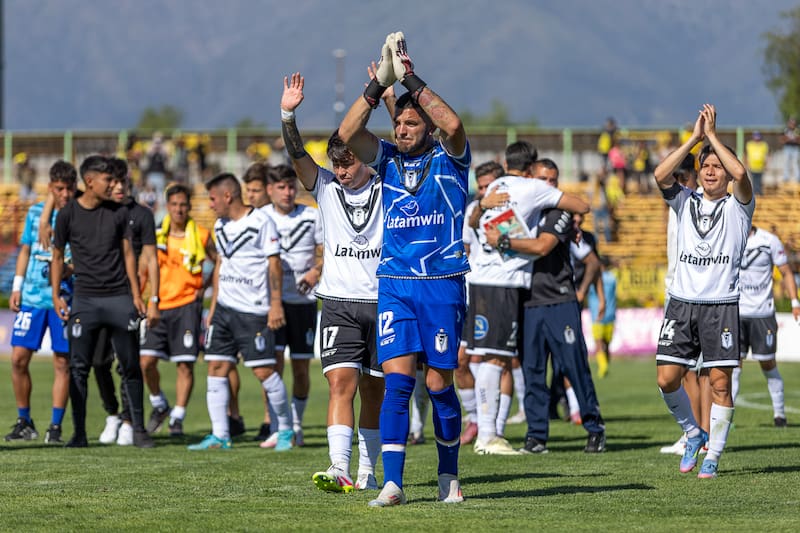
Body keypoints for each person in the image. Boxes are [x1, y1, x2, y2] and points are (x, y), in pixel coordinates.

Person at [339, 31, 469, 506]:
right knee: (397, 383)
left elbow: (453, 122)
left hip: (441, 284)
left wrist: (410, 79)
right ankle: (393, 483)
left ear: (427, 128)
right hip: (395, 284)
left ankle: (448, 475)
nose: (402, 129)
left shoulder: (451, 158)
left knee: (438, 385)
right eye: (398, 123)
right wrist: (379, 85)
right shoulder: (388, 160)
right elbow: (347, 135)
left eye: (412, 123)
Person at [281, 72, 384, 493]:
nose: (341, 171)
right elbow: (296, 153)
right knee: (340, 383)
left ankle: (368, 472)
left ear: (365, 159)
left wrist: (384, 93)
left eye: (348, 163)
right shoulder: (323, 186)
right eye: (336, 164)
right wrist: (288, 115)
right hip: (339, 303)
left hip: (383, 301)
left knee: (374, 392)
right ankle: (339, 465)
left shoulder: (388, 184)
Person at [654, 104, 754, 479]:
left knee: (719, 383)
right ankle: (693, 433)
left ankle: (714, 453)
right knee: (666, 379)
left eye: (717, 166)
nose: (712, 171)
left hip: (720, 305)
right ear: (698, 172)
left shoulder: (739, 206)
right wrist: (694, 139)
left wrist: (712, 136)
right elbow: (659, 174)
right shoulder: (685, 200)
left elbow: (741, 173)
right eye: (705, 166)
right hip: (682, 303)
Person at [468, 152, 591, 455]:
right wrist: (569, 214)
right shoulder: (531, 188)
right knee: (495, 359)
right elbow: (582, 205)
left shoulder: (492, 190)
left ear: (506, 164)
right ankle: (487, 435)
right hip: (503, 282)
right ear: (530, 169)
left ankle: (489, 432)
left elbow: (472, 220)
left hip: (480, 280)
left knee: (491, 358)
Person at [51, 155, 154, 448]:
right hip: (84, 300)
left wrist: (136, 295)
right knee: (79, 368)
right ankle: (79, 433)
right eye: (107, 180)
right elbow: (57, 256)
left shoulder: (118, 213)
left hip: (119, 298)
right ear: (89, 181)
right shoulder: (67, 214)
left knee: (130, 365)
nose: (113, 185)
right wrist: (56, 295)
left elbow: (129, 254)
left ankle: (139, 430)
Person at [187, 173, 293, 451]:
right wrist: (213, 308)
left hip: (254, 311)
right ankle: (220, 435)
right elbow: (221, 266)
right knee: (216, 366)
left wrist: (275, 304)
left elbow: (274, 265)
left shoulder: (262, 222)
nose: (210, 205)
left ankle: (285, 430)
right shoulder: (219, 225)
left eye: (212, 199)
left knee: (263, 371)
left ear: (227, 196)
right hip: (224, 310)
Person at [5, 161, 77, 444]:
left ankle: (55, 426)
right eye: (59, 188)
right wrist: (17, 286)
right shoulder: (36, 213)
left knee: (62, 362)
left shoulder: (79, 215)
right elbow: (25, 250)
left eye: (69, 188)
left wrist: (70, 270)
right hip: (32, 297)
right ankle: (24, 421)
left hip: (64, 299)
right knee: (18, 359)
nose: (65, 194)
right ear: (50, 188)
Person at [139, 183, 216, 436]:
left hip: (187, 306)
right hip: (158, 305)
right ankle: (159, 404)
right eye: (174, 204)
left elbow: (220, 262)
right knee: (146, 362)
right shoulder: (155, 235)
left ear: (189, 206)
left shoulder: (201, 235)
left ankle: (178, 418)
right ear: (167, 206)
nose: (179, 209)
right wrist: (140, 297)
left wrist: (204, 287)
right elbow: (143, 267)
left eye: (183, 204)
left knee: (185, 365)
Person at [262, 163, 323, 448]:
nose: (287, 192)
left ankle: (296, 425)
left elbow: (327, 251)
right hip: (271, 304)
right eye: (281, 187)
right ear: (270, 190)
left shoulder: (312, 216)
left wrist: (316, 271)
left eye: (291, 187)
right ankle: (277, 426)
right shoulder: (261, 218)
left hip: (303, 303)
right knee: (271, 367)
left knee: (300, 368)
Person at [658, 154, 705, 456]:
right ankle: (696, 435)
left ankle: (698, 435)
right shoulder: (676, 202)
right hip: (674, 291)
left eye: (681, 176)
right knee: (683, 371)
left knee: (694, 372)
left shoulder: (698, 203)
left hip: (692, 294)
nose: (677, 182)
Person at [457, 160, 505, 446]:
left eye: (489, 186)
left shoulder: (511, 210)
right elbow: (467, 242)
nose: (484, 191)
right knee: (459, 361)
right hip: (472, 292)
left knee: (500, 360)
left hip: (500, 291)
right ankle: (475, 418)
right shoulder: (473, 209)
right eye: (481, 186)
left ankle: (496, 426)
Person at [733, 225, 800, 426]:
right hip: (735, 313)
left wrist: (794, 302)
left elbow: (786, 272)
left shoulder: (769, 241)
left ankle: (779, 415)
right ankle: (726, 418)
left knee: (768, 363)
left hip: (762, 313)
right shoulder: (729, 236)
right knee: (733, 366)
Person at [588, 256, 617, 378]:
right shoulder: (612, 278)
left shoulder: (593, 278)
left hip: (597, 315)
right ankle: (606, 365)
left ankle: (603, 367)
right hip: (610, 314)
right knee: (607, 344)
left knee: (598, 344)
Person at [744, 131, 769, 195]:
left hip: (761, 166)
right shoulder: (749, 144)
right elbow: (746, 155)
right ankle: (755, 193)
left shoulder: (764, 145)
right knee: (754, 181)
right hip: (752, 166)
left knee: (759, 181)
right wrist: (746, 164)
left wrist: (766, 164)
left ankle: (759, 193)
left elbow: (766, 155)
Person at [781, 117, 799, 184]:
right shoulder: (786, 130)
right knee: (786, 163)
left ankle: (798, 178)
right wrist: (790, 139)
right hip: (787, 148)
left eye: (793, 123)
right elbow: (783, 139)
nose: (792, 124)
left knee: (795, 163)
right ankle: (786, 177)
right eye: (791, 123)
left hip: (795, 148)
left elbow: (798, 139)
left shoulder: (797, 130)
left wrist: (791, 139)